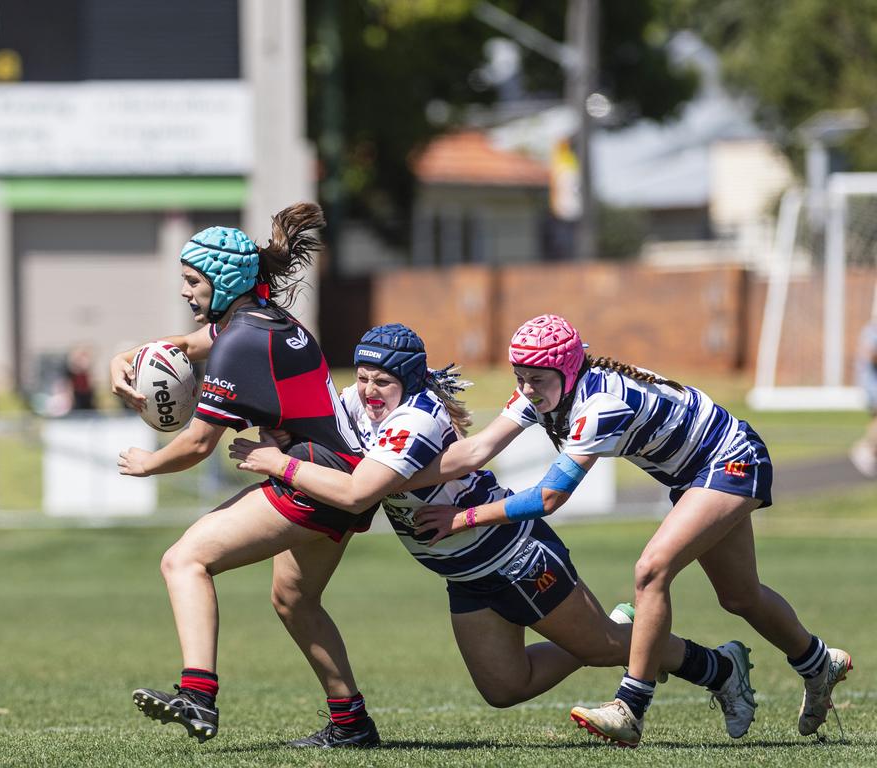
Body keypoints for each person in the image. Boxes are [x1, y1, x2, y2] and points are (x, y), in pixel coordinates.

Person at [230, 323, 755, 745]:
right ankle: (617, 630)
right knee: (505, 688)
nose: (368, 390)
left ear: (408, 383)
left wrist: (277, 462)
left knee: (602, 647)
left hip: (512, 556)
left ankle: (716, 666)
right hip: (462, 572)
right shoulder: (358, 404)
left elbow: (355, 492)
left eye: (381, 381)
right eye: (363, 377)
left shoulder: (415, 420)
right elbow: (321, 422)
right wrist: (275, 425)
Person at [410, 314, 852, 748]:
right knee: (739, 596)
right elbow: (478, 449)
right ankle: (817, 662)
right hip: (694, 475)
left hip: (732, 459)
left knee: (652, 570)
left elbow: (549, 497)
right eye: (520, 377)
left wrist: (465, 517)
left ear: (566, 370)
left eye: (537, 380)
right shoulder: (545, 390)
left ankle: (630, 708)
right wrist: (387, 478)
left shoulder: (601, 406)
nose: (527, 390)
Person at [110, 203, 381, 748]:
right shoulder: (258, 321)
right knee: (294, 601)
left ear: (223, 278)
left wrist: (148, 463)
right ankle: (352, 724)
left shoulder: (243, 339)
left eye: (192, 281)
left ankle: (197, 695)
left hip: (313, 480)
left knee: (184, 560)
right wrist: (124, 357)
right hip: (340, 478)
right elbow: (185, 345)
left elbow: (197, 444)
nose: (185, 292)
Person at [850, 316, 877, 477]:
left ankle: (869, 450)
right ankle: (865, 449)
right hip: (873, 386)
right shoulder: (872, 331)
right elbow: (869, 354)